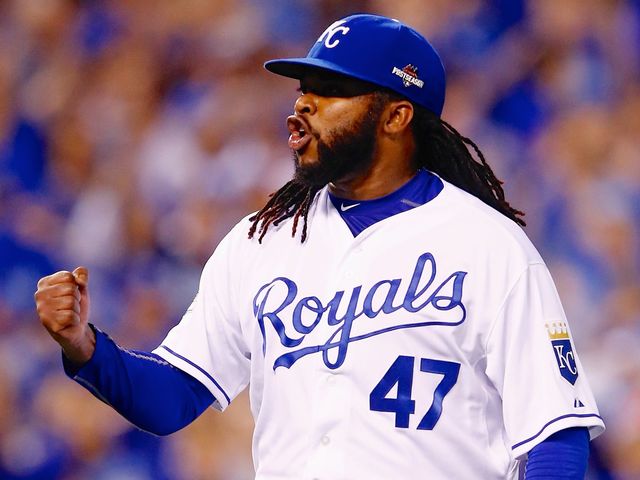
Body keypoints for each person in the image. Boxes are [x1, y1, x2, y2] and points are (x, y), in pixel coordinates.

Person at [34, 13, 604, 480]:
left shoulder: (488, 245)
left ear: (397, 116)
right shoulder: (260, 241)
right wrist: (85, 345)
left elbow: (556, 437)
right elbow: (173, 397)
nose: (303, 104)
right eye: (305, 89)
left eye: (332, 91)